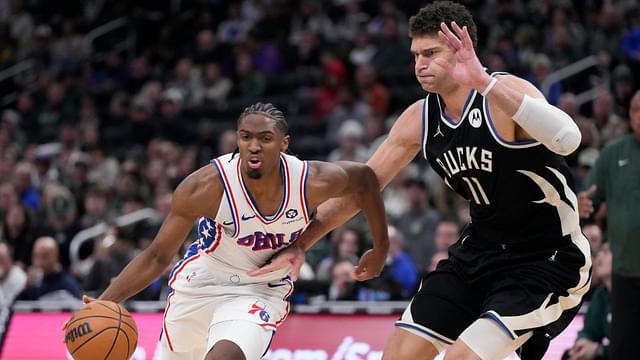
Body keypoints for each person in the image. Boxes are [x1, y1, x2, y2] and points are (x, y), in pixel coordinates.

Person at [252, 2, 590, 359]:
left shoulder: (504, 95)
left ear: (464, 50)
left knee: (464, 357)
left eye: (431, 53)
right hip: (479, 253)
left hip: (545, 258)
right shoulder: (420, 118)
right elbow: (363, 188)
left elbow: (568, 139)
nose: (420, 65)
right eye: (415, 55)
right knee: (399, 354)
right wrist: (302, 243)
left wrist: (484, 83)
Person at [77, 102, 389, 360]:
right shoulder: (205, 186)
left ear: (284, 144)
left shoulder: (311, 180)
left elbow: (365, 180)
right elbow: (158, 255)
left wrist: (381, 248)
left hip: (260, 289)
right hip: (202, 282)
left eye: (265, 139)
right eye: (245, 137)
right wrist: (106, 301)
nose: (254, 146)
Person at [577, 90, 640, 360]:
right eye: (637, 109)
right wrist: (581, 203)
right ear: (629, 114)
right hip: (625, 272)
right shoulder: (614, 154)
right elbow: (587, 195)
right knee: (622, 349)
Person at [564, 242, 612, 360]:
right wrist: (582, 343)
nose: (599, 255)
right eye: (599, 251)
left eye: (606, 252)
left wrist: (598, 350)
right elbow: (590, 331)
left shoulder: (632, 298)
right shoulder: (601, 294)